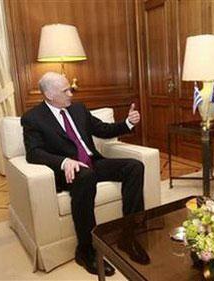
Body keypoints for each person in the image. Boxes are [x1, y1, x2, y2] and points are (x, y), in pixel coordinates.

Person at [21, 72, 149, 276]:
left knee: (134, 167)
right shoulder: (33, 118)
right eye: (65, 91)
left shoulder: (78, 109)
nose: (71, 93)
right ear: (49, 94)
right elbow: (33, 152)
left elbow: (103, 130)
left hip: (93, 163)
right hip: (70, 172)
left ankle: (129, 236)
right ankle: (86, 249)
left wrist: (128, 123)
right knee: (85, 176)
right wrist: (63, 162)